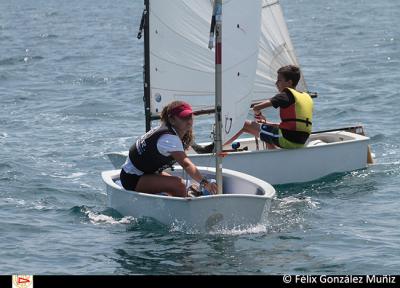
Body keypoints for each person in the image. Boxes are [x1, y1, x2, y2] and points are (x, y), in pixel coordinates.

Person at [120, 100, 218, 197]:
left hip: (147, 173)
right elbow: (186, 164)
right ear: (172, 120)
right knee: (179, 185)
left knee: (185, 185)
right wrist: (205, 183)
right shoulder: (168, 139)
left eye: (189, 116)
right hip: (132, 178)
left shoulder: (172, 130)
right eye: (183, 117)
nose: (188, 121)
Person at [225, 65, 313, 149]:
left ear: (289, 82)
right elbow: (293, 124)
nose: (276, 83)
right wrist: (267, 123)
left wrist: (258, 114)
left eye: (279, 80)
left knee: (242, 124)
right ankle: (272, 154)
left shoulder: (285, 95)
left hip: (287, 139)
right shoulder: (305, 97)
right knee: (266, 130)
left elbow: (256, 107)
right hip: (301, 141)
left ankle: (215, 149)